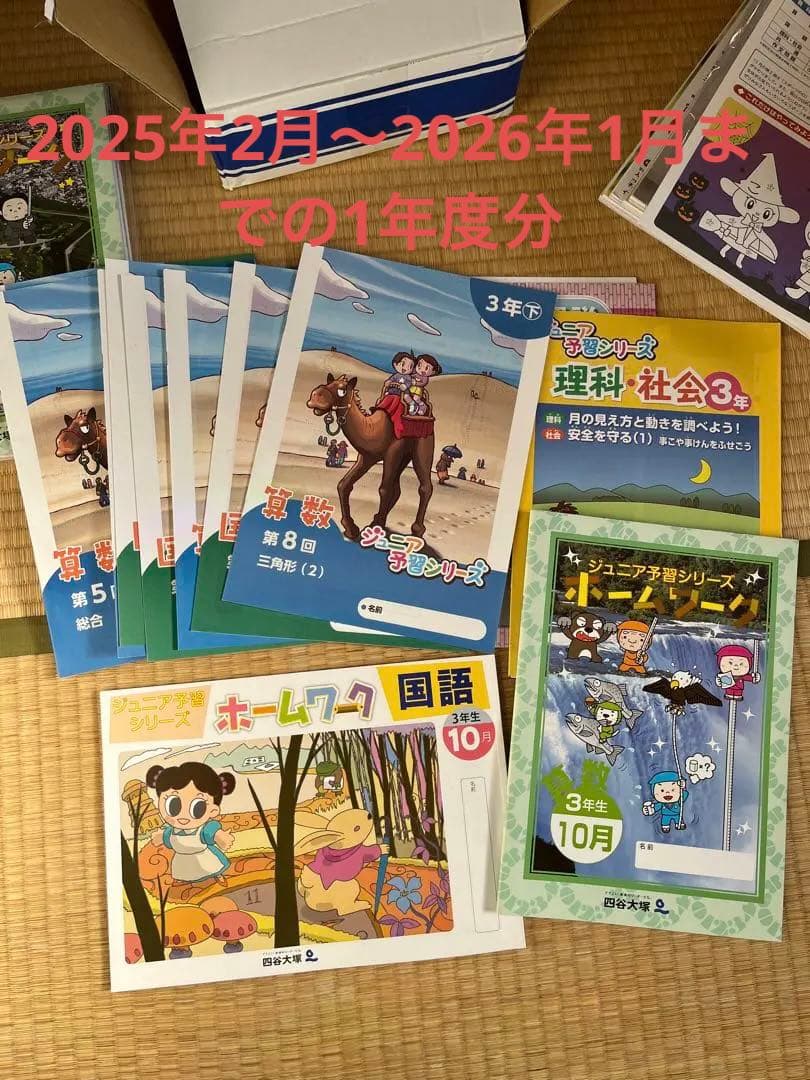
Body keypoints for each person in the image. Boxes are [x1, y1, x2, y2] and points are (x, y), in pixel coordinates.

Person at [148, 761, 236, 884]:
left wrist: (220, 836)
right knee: (185, 874)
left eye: (198, 807)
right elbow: (166, 837)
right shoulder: (171, 831)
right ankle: (186, 882)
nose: (183, 816)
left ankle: (217, 875)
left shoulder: (203, 830)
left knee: (213, 867)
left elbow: (212, 832)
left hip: (203, 858)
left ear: (213, 810)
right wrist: (160, 837)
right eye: (173, 805)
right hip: (182, 861)